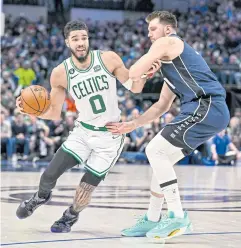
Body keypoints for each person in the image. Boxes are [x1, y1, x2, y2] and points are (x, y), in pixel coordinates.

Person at [15, 20, 160, 233]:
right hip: (82, 132)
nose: (81, 42)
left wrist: (145, 76)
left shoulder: (108, 58)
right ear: (67, 42)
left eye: (84, 37)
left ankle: (70, 216)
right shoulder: (60, 72)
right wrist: (29, 111)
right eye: (75, 39)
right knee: (48, 175)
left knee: (84, 189)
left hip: (110, 137)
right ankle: (40, 197)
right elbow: (55, 112)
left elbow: (134, 87)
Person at [106, 11, 230, 240]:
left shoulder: (168, 42)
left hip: (207, 105)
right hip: (204, 110)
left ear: (167, 29)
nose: (149, 34)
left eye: (153, 29)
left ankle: (177, 215)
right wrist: (133, 123)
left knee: (154, 150)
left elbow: (133, 73)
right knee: (161, 159)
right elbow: (160, 105)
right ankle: (152, 219)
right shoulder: (169, 65)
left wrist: (143, 66)